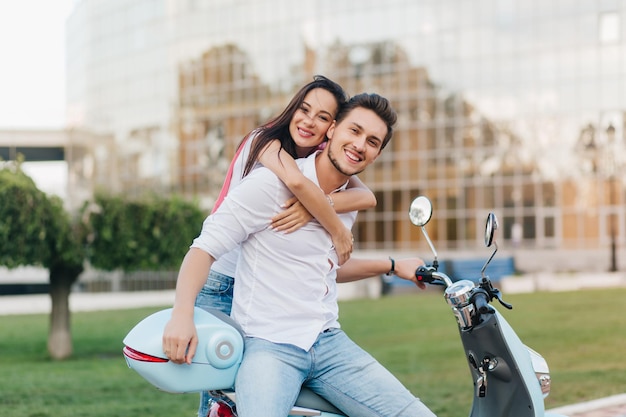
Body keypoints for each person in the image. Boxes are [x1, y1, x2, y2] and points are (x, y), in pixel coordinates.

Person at [163, 93, 436, 417]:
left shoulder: (348, 202)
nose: (361, 144)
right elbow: (203, 248)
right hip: (269, 344)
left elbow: (324, 267)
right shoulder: (269, 182)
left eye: (372, 141)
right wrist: (182, 314)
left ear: (376, 154)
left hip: (328, 341)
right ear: (332, 131)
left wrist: (391, 265)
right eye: (354, 131)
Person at [194, 75, 375, 416]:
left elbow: (367, 196)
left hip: (260, 286)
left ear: (332, 128)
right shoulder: (264, 141)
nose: (309, 121)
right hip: (221, 280)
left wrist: (316, 205)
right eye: (304, 109)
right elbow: (294, 181)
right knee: (219, 398)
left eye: (322, 117)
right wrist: (336, 229)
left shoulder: (321, 155)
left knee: (251, 396)